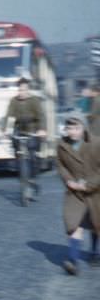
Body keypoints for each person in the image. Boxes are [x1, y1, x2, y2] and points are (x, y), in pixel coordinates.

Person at [56, 115, 100, 275]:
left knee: (96, 224)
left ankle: (95, 252)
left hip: (96, 191)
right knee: (74, 224)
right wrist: (68, 181)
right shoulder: (62, 145)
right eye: (69, 128)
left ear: (84, 128)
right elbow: (61, 166)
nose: (73, 132)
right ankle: (72, 260)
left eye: (76, 128)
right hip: (74, 192)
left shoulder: (96, 143)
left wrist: (88, 185)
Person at [6, 77, 46, 192]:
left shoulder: (34, 100)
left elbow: (41, 116)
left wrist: (42, 129)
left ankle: (33, 178)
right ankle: (22, 176)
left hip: (33, 130)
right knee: (18, 156)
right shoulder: (13, 101)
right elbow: (10, 116)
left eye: (24, 90)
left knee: (33, 156)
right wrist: (8, 130)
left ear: (28, 90)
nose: (21, 92)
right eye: (19, 90)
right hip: (19, 130)